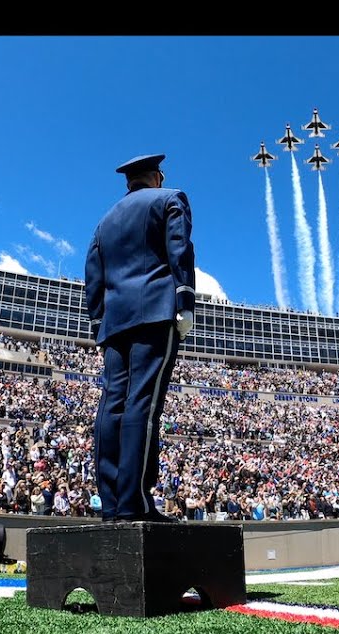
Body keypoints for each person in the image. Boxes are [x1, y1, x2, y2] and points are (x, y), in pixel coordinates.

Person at [85, 153, 196, 523]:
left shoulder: (104, 221)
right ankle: (136, 503)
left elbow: (93, 273)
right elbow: (178, 249)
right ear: (157, 177)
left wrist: (98, 317)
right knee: (143, 405)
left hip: (115, 320)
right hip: (154, 309)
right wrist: (185, 298)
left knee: (111, 404)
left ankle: (112, 503)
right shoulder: (170, 199)